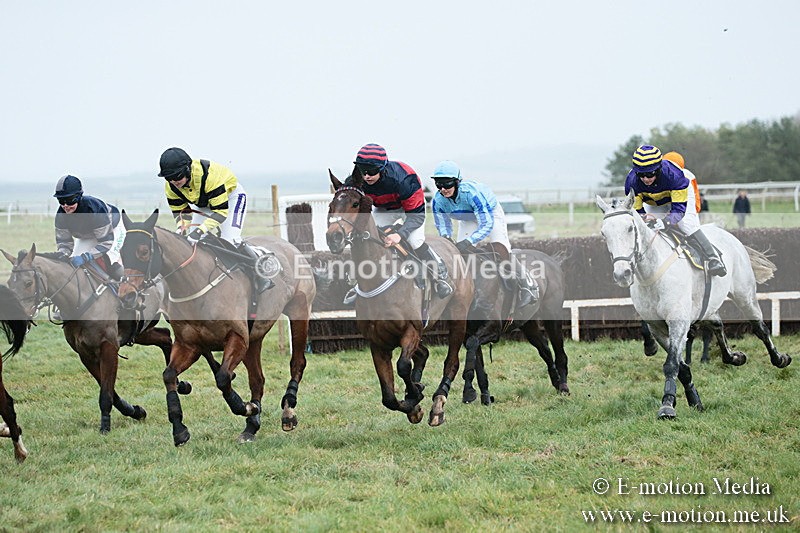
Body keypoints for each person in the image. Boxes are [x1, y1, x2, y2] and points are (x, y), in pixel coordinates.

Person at [345, 143, 452, 298]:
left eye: (372, 171)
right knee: (366, 237)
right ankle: (360, 284)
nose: (366, 175)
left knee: (415, 240)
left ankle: (439, 275)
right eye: (362, 170)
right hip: (383, 208)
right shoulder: (358, 179)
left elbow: (417, 215)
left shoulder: (405, 179)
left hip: (411, 210)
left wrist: (400, 234)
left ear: (382, 168)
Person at [157, 147, 270, 292]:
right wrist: (181, 227)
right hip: (204, 203)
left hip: (231, 199)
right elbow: (181, 211)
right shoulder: (171, 187)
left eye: (177, 176)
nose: (173, 181)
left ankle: (260, 274)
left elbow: (221, 213)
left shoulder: (210, 178)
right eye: (168, 178)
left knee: (230, 240)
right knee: (194, 244)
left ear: (187, 170)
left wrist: (199, 230)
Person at [430, 160, 537, 307]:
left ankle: (528, 285)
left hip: (491, 214)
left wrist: (468, 241)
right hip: (467, 219)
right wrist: (447, 239)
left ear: (457, 182)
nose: (443, 189)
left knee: (502, 249)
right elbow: (443, 225)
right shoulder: (437, 201)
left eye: (447, 184)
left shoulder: (472, 194)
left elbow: (486, 224)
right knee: (460, 255)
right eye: (438, 184)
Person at [624, 145, 726, 276]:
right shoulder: (631, 182)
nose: (645, 179)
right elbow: (637, 210)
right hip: (653, 200)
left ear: (658, 169)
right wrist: (644, 218)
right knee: (646, 227)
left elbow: (678, 210)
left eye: (649, 174)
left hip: (679, 195)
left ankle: (713, 258)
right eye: (641, 175)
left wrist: (666, 222)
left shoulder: (675, 176)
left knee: (686, 224)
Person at [53, 175, 125, 280]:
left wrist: (86, 257)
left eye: (69, 200)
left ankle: (128, 293)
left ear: (78, 197)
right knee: (73, 266)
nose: (65, 205)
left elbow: (106, 242)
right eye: (61, 200)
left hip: (112, 231)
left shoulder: (94, 209)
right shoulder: (61, 216)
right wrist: (62, 256)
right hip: (89, 235)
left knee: (112, 266)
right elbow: (64, 244)